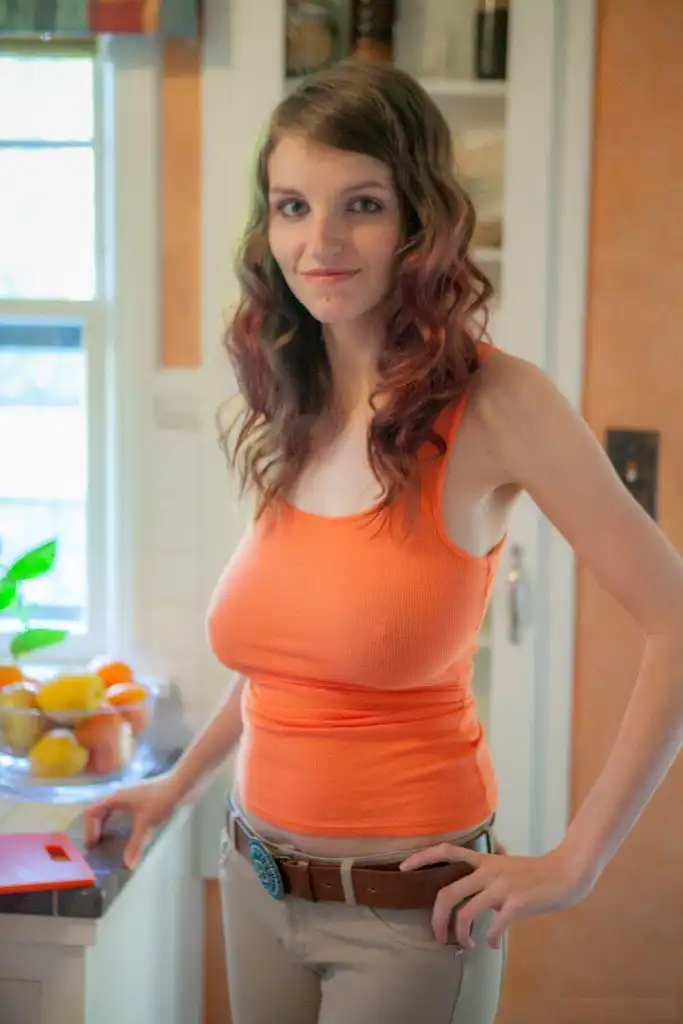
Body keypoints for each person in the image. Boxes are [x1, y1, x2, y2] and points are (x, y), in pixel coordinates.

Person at [85, 60, 683, 1023]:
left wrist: (575, 863)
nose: (318, 242)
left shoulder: (497, 402)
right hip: (255, 877)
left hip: (408, 913)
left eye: (359, 204)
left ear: (417, 221)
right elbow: (287, 667)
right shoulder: (293, 396)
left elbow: (675, 619)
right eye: (292, 206)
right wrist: (173, 789)